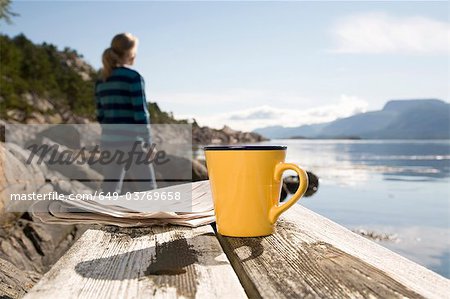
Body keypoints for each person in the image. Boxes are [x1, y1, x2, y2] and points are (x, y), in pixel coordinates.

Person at [95, 33, 157, 194]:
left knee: (110, 190)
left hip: (109, 143)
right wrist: (149, 143)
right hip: (133, 144)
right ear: (130, 53)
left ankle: (106, 219)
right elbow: (141, 115)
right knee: (148, 191)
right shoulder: (133, 77)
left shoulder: (101, 80)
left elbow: (100, 115)